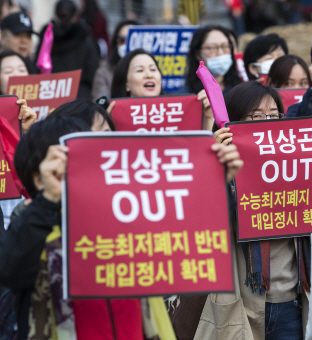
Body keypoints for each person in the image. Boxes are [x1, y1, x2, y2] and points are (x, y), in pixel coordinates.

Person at [0, 106, 243, 340]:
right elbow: (10, 269)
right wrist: (48, 200)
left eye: (109, 137)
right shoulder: (35, 221)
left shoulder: (130, 215)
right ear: (42, 171)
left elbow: (199, 236)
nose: (107, 152)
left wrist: (214, 186)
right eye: (90, 144)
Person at [205, 81, 312, 340]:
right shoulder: (221, 169)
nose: (268, 121)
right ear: (232, 124)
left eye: (274, 115)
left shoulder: (299, 168)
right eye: (256, 116)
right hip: (243, 304)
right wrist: (216, 168)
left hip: (292, 304)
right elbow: (209, 221)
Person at [0, 50, 37, 226]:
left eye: (22, 69)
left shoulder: (38, 122)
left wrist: (29, 133)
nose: (16, 75)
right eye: (8, 71)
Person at [35, 0, 100, 101]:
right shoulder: (86, 41)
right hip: (79, 99)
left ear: (56, 14)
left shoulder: (46, 40)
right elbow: (93, 74)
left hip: (48, 96)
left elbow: (37, 68)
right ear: (75, 16)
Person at [182, 25, 242, 129]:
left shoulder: (242, 91)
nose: (220, 53)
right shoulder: (186, 96)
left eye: (225, 46)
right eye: (211, 48)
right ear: (198, 54)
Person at [91, 19, 139, 101]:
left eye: (133, 40)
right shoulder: (104, 72)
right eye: (122, 40)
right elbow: (100, 104)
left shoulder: (154, 71)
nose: (127, 45)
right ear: (116, 42)